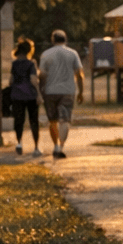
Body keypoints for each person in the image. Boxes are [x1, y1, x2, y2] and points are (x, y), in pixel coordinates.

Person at [38, 29, 84, 159]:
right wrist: (81, 91)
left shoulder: (46, 54)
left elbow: (42, 75)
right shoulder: (73, 53)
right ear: (65, 39)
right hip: (67, 91)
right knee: (65, 120)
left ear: (53, 40)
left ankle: (56, 146)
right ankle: (61, 146)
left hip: (50, 91)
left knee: (52, 120)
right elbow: (79, 74)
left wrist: (41, 91)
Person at [9, 38, 42, 155]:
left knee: (19, 120)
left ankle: (19, 143)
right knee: (34, 121)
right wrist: (38, 93)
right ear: (29, 50)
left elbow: (10, 81)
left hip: (17, 95)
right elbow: (33, 80)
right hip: (30, 95)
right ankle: (36, 147)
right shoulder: (31, 64)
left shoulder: (14, 64)